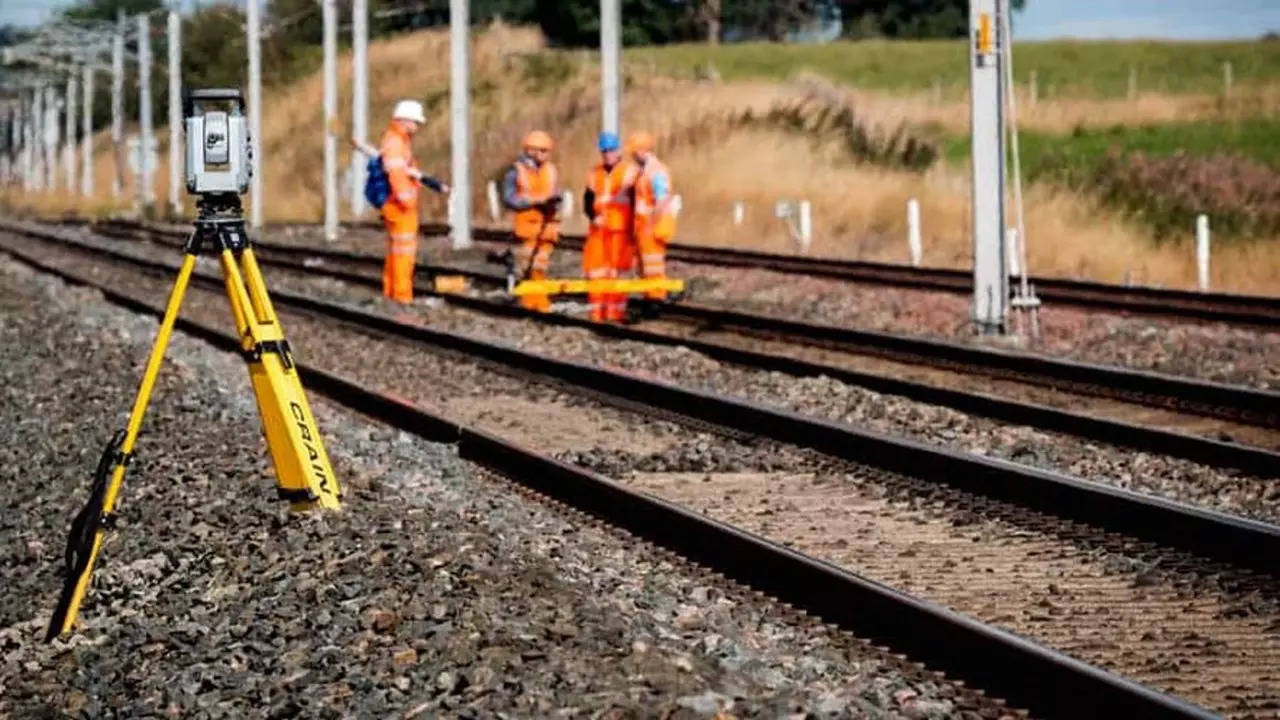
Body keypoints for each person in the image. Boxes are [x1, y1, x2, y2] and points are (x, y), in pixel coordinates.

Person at [502, 130, 560, 312]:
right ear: (531, 151)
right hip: (527, 227)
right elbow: (509, 198)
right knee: (526, 269)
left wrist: (554, 201)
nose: (545, 155)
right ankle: (530, 303)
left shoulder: (550, 170)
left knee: (540, 267)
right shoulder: (516, 171)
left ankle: (539, 303)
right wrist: (534, 202)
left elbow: (556, 191)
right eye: (542, 151)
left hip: (548, 226)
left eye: (547, 151)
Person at [378, 100, 428, 304]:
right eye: (415, 122)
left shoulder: (397, 139)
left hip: (395, 204)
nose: (417, 127)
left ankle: (392, 293)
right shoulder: (396, 142)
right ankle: (401, 296)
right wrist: (408, 200)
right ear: (405, 120)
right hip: (400, 206)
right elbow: (397, 174)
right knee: (404, 253)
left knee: (396, 251)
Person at [582, 131, 627, 322]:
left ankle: (614, 313)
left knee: (617, 273)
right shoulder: (595, 173)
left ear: (618, 151)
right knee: (596, 271)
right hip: (598, 231)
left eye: (611, 150)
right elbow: (587, 201)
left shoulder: (628, 172)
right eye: (604, 151)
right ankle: (596, 313)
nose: (608, 155)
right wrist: (593, 217)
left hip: (620, 231)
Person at [627, 131, 676, 302]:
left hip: (652, 226)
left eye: (633, 153)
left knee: (653, 265)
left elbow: (661, 199)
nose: (632, 156)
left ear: (641, 151)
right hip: (644, 226)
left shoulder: (656, 171)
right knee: (645, 266)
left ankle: (656, 299)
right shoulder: (644, 171)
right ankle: (650, 297)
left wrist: (652, 222)